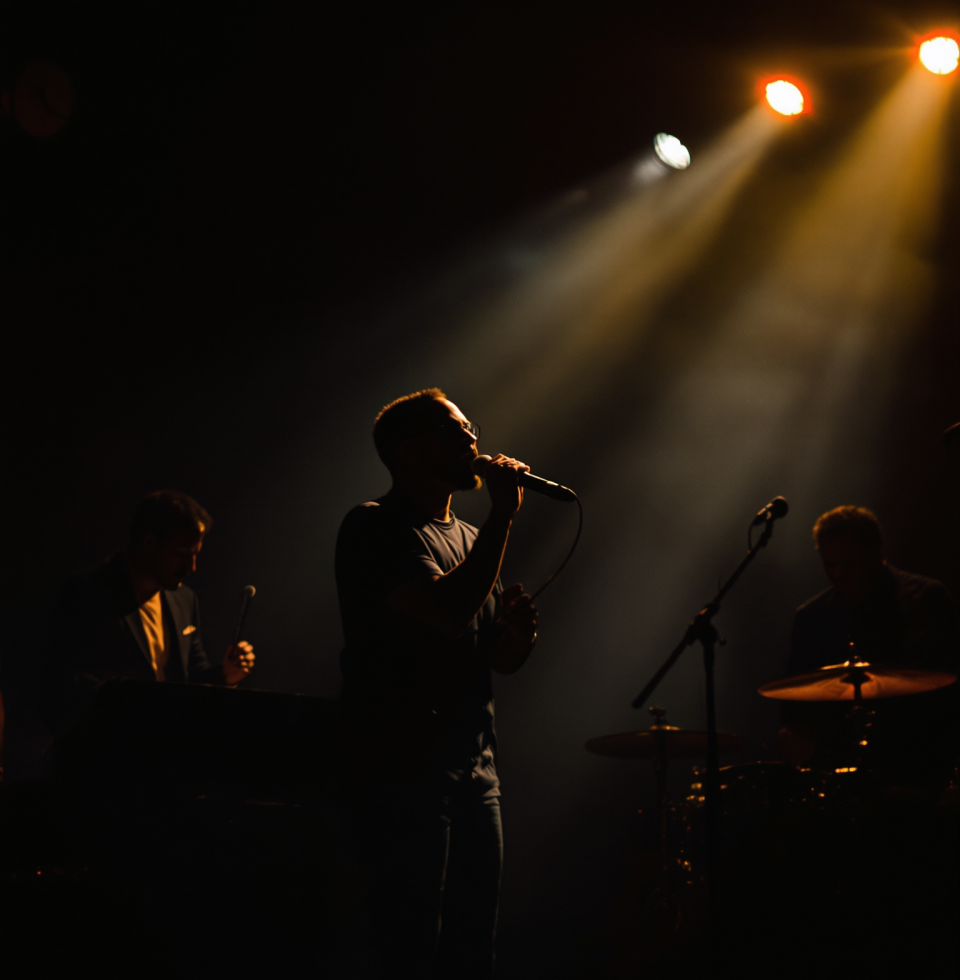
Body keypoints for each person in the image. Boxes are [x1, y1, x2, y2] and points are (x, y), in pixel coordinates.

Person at [335, 388, 539, 979]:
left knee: (474, 948)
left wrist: (518, 639)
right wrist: (504, 512)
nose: (473, 441)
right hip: (404, 772)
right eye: (455, 432)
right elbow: (446, 611)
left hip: (476, 770)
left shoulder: (472, 539)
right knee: (411, 945)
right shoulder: (374, 528)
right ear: (407, 451)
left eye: (470, 428)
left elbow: (490, 658)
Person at [44, 489, 254, 732]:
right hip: (106, 749)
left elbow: (191, 676)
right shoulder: (86, 592)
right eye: (183, 554)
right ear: (149, 542)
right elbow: (60, 679)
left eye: (195, 555)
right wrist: (129, 703)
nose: (192, 567)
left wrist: (225, 675)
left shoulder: (184, 600)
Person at [780, 505, 957, 789]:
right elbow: (796, 713)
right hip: (836, 775)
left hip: (918, 767)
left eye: (849, 564)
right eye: (830, 565)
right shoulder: (811, 618)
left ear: (876, 552)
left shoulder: (923, 599)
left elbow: (945, 694)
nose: (839, 574)